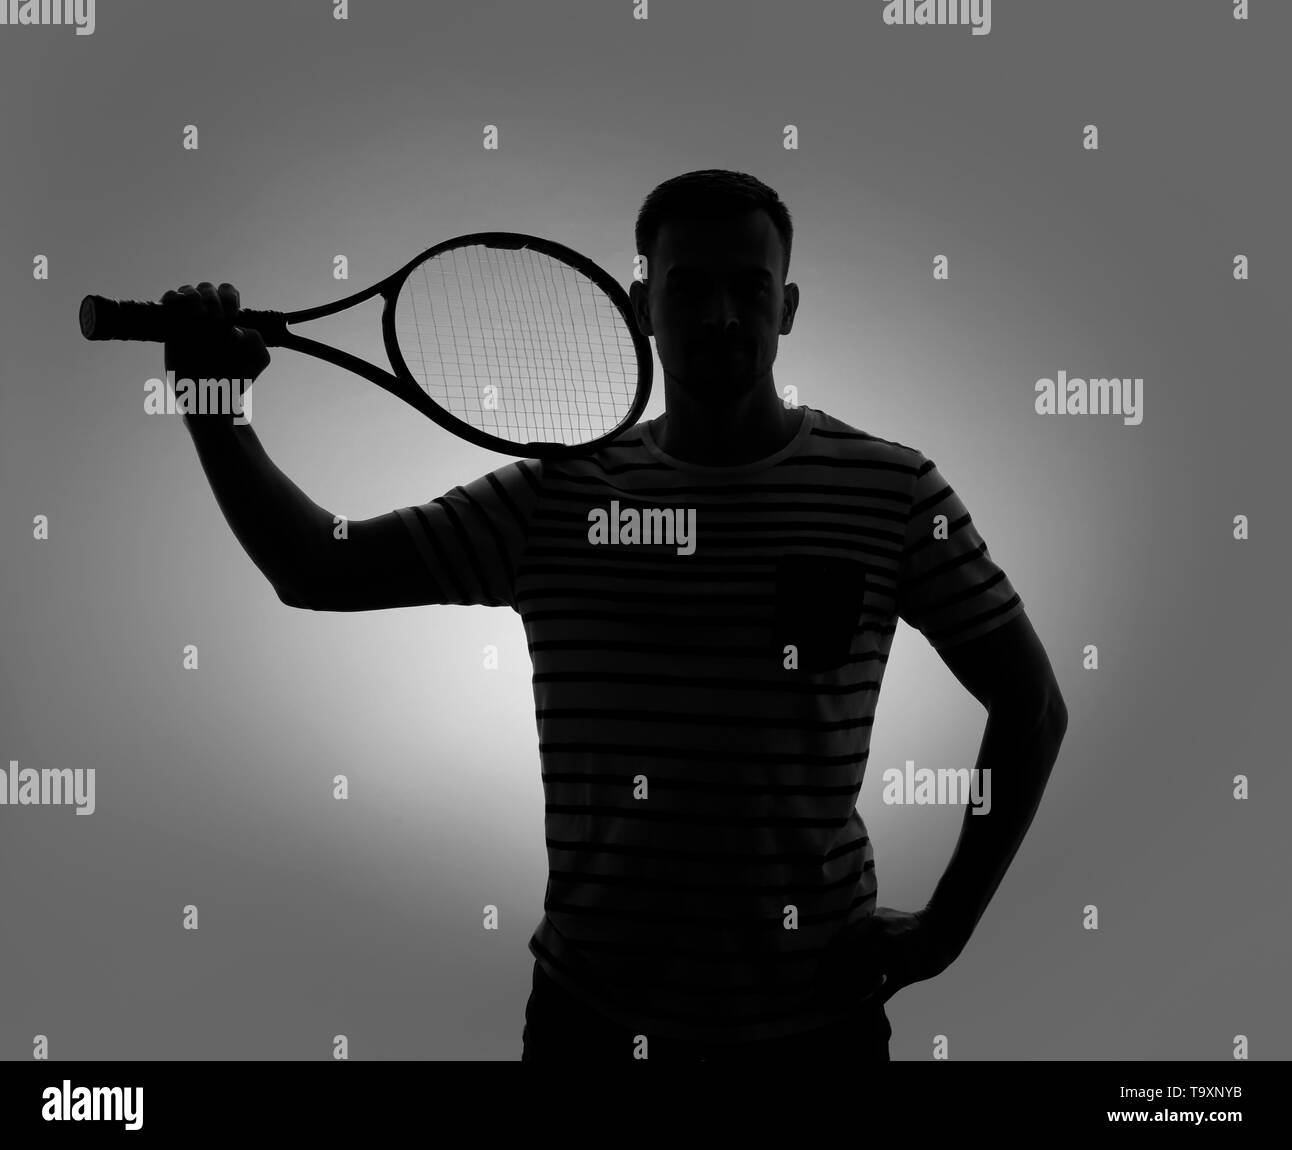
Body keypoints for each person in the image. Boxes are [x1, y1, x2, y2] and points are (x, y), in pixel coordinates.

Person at [165, 169, 1069, 1063]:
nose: (721, 316)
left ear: (787, 307)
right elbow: (319, 566)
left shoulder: (893, 489)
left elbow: (1031, 705)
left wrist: (947, 930)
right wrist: (214, 407)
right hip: (588, 1028)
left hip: (816, 1028)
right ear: (643, 301)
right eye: (688, 286)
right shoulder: (556, 496)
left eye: (749, 288)